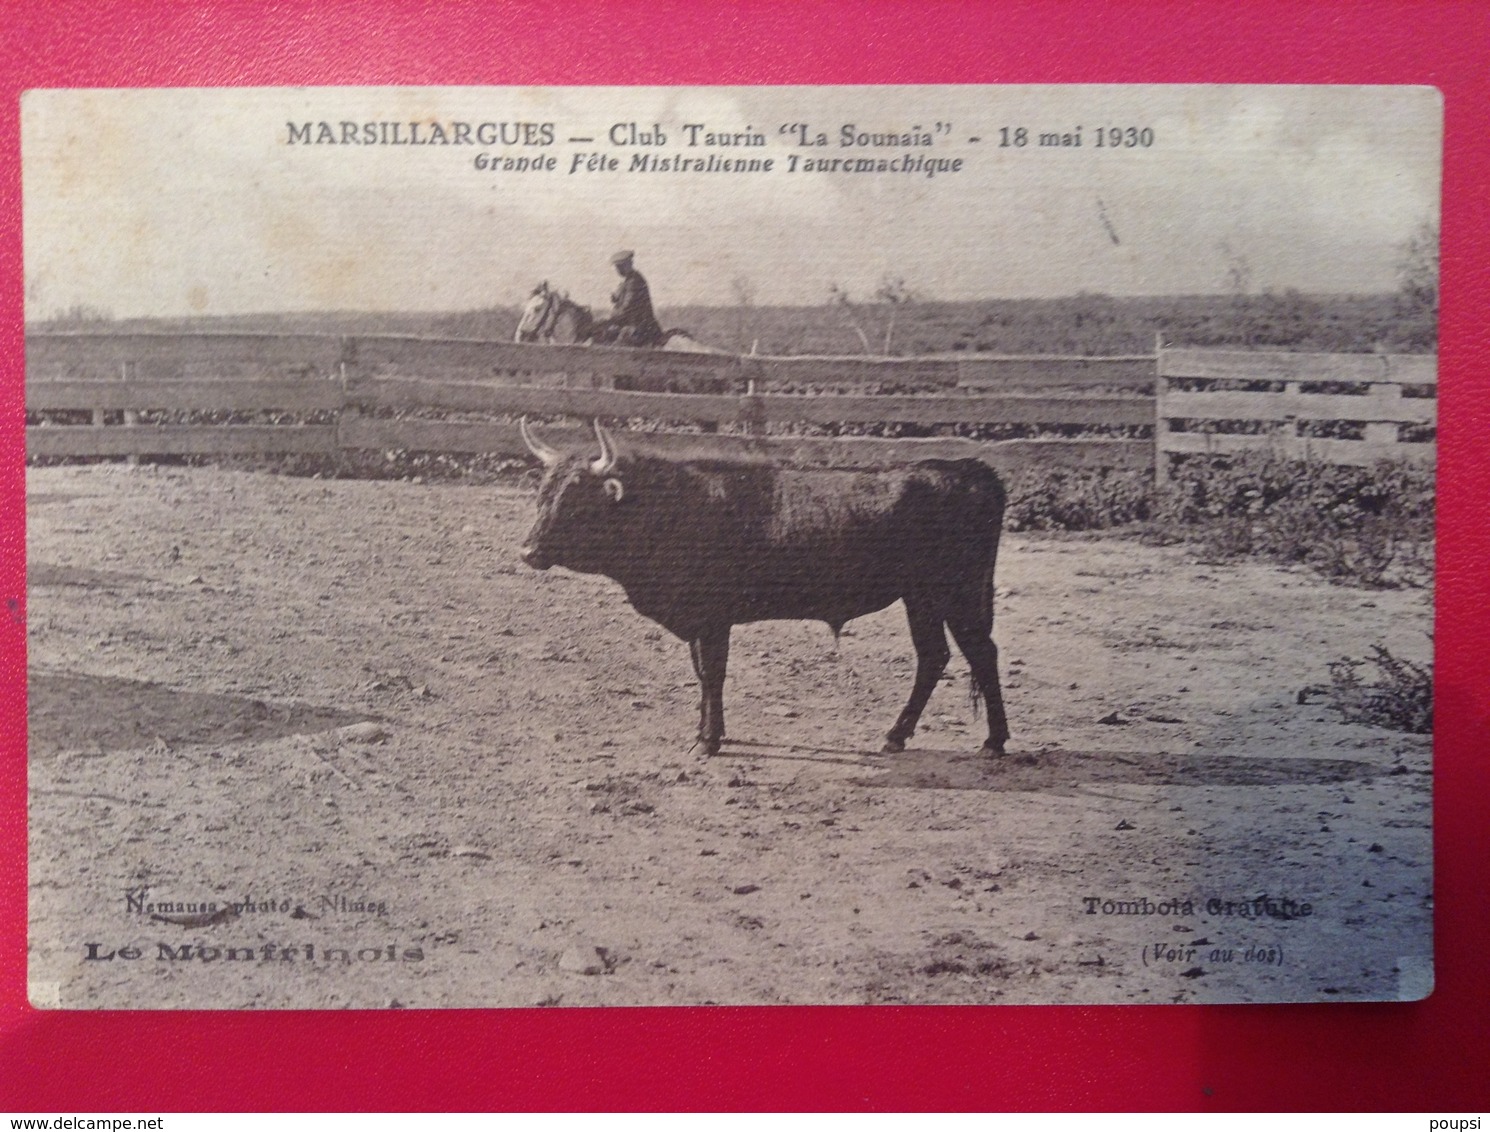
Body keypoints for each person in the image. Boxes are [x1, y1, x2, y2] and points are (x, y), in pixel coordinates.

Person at [589, 250, 665, 347]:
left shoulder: (634, 281)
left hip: (640, 326)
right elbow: (619, 299)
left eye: (619, 267)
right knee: (599, 330)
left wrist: (610, 316)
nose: (617, 270)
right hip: (629, 324)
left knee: (618, 341)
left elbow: (627, 307)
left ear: (627, 265)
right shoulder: (626, 281)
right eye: (617, 267)